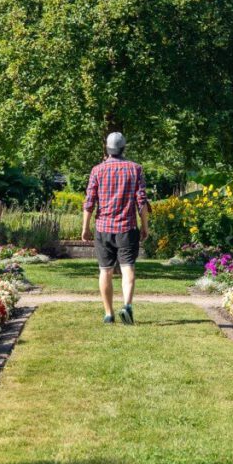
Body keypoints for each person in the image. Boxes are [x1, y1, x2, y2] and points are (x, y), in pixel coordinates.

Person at [81, 132, 150, 325]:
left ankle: (109, 314)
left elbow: (89, 202)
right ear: (123, 148)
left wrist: (85, 228)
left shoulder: (97, 170)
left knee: (105, 271)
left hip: (103, 229)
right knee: (128, 269)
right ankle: (127, 306)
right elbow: (142, 202)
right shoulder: (136, 169)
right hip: (127, 228)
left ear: (107, 148)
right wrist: (145, 226)